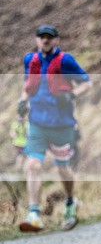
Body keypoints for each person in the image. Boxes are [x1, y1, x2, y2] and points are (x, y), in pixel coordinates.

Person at [18, 24, 91, 232]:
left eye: (49, 37)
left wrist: (71, 95)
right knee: (32, 164)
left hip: (61, 124)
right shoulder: (30, 61)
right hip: (37, 123)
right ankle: (34, 214)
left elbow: (87, 83)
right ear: (37, 40)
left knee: (62, 166)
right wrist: (22, 101)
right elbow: (27, 85)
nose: (46, 41)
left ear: (56, 40)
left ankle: (70, 202)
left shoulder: (65, 61)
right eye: (42, 37)